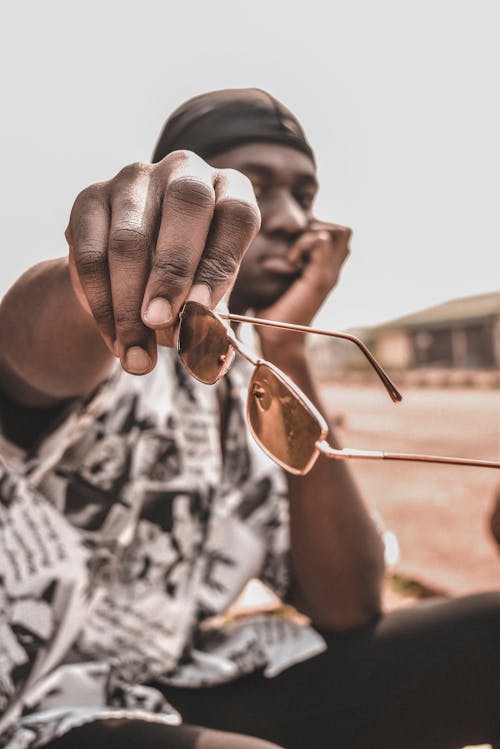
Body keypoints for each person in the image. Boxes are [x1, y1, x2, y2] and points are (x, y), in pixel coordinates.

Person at [0, 88, 498, 749]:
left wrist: (290, 345)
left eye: (306, 194)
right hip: (30, 700)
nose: (292, 219)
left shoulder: (255, 381)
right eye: (256, 189)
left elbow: (348, 605)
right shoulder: (116, 337)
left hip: (179, 676)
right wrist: (111, 272)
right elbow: (26, 351)